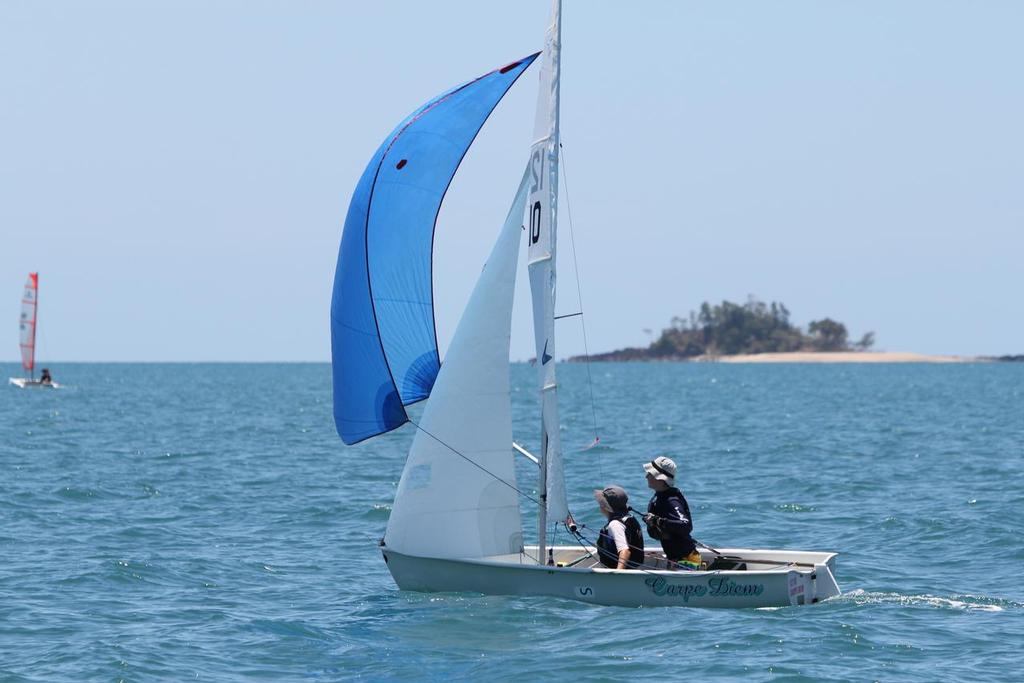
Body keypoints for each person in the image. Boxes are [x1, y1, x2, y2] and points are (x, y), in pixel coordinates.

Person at [642, 456, 701, 570]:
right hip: (676, 559)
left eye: (650, 474)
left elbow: (685, 525)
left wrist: (659, 521)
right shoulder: (659, 497)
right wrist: (652, 523)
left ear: (659, 478)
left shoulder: (671, 500)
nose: (646, 476)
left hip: (686, 560)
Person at [594, 485, 644, 570]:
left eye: (602, 503)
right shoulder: (629, 517)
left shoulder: (615, 525)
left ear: (606, 506)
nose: (600, 505)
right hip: (634, 567)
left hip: (621, 572)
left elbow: (625, 551)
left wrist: (618, 575)